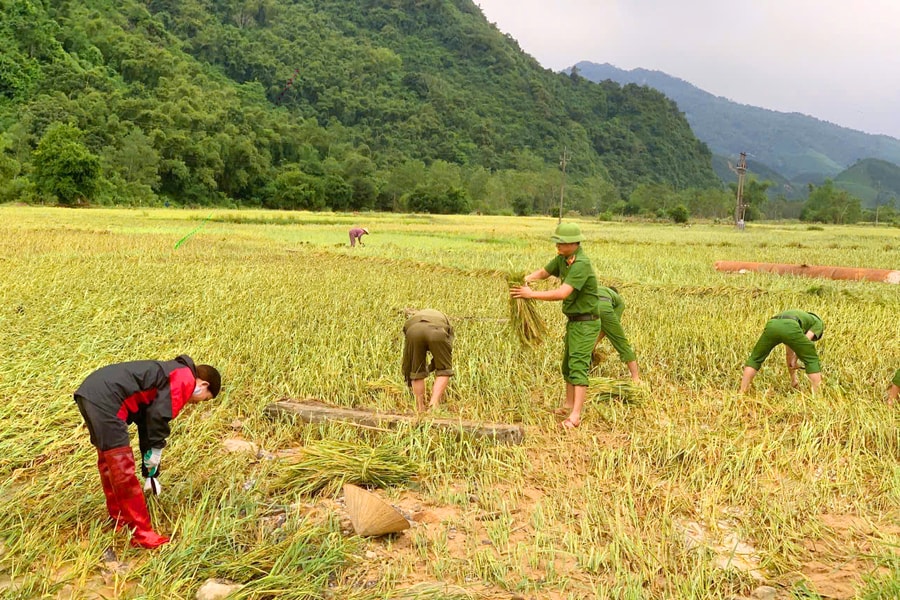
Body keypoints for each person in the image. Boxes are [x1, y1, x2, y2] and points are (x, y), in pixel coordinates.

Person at [74, 355, 221, 548]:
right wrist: (157, 450)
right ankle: (142, 534)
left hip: (90, 393)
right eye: (203, 399)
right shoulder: (184, 378)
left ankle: (120, 519)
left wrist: (150, 472)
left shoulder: (170, 372)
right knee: (122, 469)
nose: (195, 404)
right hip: (108, 399)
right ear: (203, 384)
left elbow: (147, 424)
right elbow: (158, 419)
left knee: (108, 461)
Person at [510, 222, 602, 429]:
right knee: (568, 365)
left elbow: (562, 293)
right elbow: (544, 272)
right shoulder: (563, 259)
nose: (557, 246)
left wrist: (530, 294)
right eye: (557, 242)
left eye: (561, 243)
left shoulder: (581, 264)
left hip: (587, 323)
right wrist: (525, 280)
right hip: (574, 322)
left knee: (578, 366)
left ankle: (575, 416)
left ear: (574, 243)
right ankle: (568, 405)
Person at [739, 310, 824, 393]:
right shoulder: (818, 323)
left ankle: (742, 391)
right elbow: (806, 342)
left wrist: (793, 379)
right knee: (811, 359)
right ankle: (817, 395)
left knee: (755, 358)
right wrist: (795, 359)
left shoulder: (801, 317)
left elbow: (789, 354)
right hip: (791, 326)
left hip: (772, 324)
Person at [402, 309, 454, 413]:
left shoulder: (410, 322)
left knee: (416, 371)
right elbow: (445, 355)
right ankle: (433, 405)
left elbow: (408, 361)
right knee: (444, 370)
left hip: (413, 331)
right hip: (437, 330)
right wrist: (434, 367)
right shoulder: (445, 322)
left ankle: (419, 407)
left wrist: (418, 371)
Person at [593, 285, 641, 383]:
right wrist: (597, 340)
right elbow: (611, 327)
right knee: (622, 343)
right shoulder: (619, 301)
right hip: (602, 308)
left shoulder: (599, 288)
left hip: (587, 305)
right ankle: (636, 378)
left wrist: (593, 343)